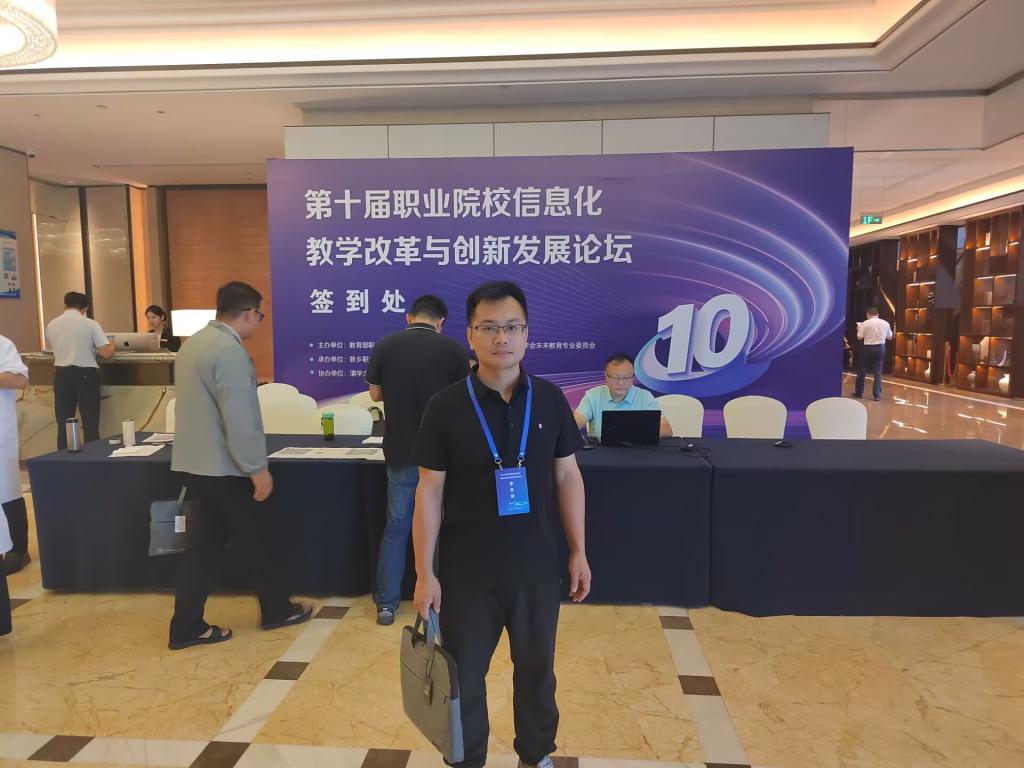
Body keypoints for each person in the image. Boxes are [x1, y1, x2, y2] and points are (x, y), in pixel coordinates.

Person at [413, 280, 591, 768]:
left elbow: (568, 477)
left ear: (527, 334)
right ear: (470, 335)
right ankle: (466, 758)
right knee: (464, 677)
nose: (501, 338)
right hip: (466, 572)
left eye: (512, 327)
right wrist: (425, 572)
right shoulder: (445, 406)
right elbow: (429, 491)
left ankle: (535, 755)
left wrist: (578, 549)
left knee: (537, 672)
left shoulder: (550, 400)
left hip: (536, 566)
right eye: (489, 327)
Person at [168, 281, 311, 650]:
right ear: (248, 313)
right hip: (228, 468)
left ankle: (186, 626)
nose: (260, 322)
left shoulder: (192, 345)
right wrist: (256, 468)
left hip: (196, 466)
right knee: (260, 539)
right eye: (260, 316)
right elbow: (239, 416)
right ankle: (278, 610)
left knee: (201, 550)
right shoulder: (229, 352)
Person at [365, 294, 469, 626]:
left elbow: (375, 394)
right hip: (442, 455)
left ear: (409, 317)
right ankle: (434, 601)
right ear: (441, 322)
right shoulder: (454, 351)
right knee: (436, 525)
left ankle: (387, 604)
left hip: (401, 450)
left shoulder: (386, 345)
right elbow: (465, 400)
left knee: (396, 527)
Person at [46, 291, 114, 450]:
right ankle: (92, 457)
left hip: (61, 375)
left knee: (64, 422)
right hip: (85, 375)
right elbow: (106, 353)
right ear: (85, 308)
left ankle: (63, 458)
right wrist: (111, 345)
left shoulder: (52, 324)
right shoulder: (90, 324)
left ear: (65, 305)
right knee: (90, 422)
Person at [573, 352, 672, 440]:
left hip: (637, 450)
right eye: (615, 377)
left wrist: (632, 432)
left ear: (632, 377)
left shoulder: (645, 397)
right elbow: (574, 424)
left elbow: (667, 429)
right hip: (602, 450)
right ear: (606, 376)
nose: (621, 383)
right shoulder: (593, 396)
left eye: (626, 378)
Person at [0, 334, 29, 590]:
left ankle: (18, 549)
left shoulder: (2, 344)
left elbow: (20, 379)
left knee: (7, 489)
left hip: (1, 432)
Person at [854, 306, 892, 401]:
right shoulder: (885, 323)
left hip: (867, 348)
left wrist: (859, 329)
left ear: (868, 314)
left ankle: (859, 393)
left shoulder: (865, 323)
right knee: (877, 373)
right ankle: (877, 395)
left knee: (862, 370)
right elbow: (890, 337)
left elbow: (859, 337)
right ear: (877, 314)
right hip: (880, 348)